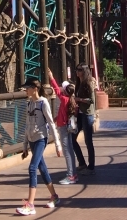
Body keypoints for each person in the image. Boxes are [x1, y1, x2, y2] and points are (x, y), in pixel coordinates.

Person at [18, 78, 62, 216]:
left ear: (35, 89)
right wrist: (25, 145)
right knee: (42, 169)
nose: (26, 90)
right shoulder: (29, 103)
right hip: (31, 140)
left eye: (28, 88)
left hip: (41, 139)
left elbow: (51, 123)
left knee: (32, 168)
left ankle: (30, 204)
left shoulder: (43, 103)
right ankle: (54, 196)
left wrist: (57, 144)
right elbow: (27, 124)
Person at [47, 69, 80, 184]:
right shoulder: (71, 100)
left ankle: (70, 175)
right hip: (68, 126)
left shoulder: (64, 99)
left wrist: (51, 78)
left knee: (67, 151)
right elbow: (64, 112)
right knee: (70, 151)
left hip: (64, 128)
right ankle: (74, 174)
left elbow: (56, 90)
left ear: (65, 91)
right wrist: (56, 118)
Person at [71, 64, 97, 173]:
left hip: (87, 114)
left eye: (80, 70)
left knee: (88, 141)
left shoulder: (89, 83)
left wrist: (79, 99)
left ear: (84, 71)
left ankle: (91, 167)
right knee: (72, 139)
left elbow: (91, 100)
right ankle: (81, 162)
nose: (77, 72)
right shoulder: (78, 83)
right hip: (80, 115)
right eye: (76, 69)